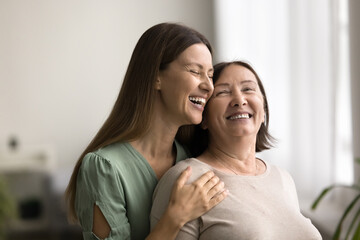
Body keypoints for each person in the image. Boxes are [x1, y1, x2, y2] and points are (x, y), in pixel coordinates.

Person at [64, 23, 228, 240]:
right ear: (155, 77)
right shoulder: (104, 168)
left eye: (210, 75)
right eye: (195, 71)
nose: (209, 86)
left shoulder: (192, 157)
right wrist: (175, 217)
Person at [150, 60, 322, 240]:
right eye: (223, 92)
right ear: (204, 117)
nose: (239, 100)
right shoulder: (187, 178)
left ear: (263, 110)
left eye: (248, 89)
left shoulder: (283, 178)